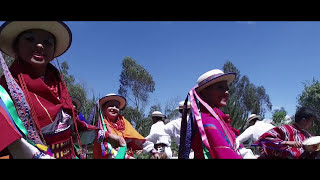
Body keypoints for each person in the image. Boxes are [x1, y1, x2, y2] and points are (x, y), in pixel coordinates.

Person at [0, 21, 124, 159]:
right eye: (30, 39)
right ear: (16, 46)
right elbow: (13, 140)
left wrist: (109, 136)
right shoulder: (5, 90)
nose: (40, 45)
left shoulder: (58, 85)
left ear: (53, 52)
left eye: (47, 42)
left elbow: (75, 130)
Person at [180, 69, 243, 159]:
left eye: (227, 88)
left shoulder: (218, 119)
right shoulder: (208, 122)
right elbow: (225, 154)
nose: (227, 92)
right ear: (204, 92)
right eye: (220, 87)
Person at [93, 93, 160, 159]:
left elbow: (138, 139)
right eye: (111, 106)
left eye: (117, 107)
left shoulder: (124, 122)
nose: (114, 108)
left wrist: (153, 151)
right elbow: (97, 136)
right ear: (104, 108)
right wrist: (114, 137)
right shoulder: (101, 124)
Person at [253, 106, 317, 159]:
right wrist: (287, 142)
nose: (312, 124)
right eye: (311, 121)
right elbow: (265, 139)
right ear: (304, 121)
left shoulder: (308, 136)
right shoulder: (285, 130)